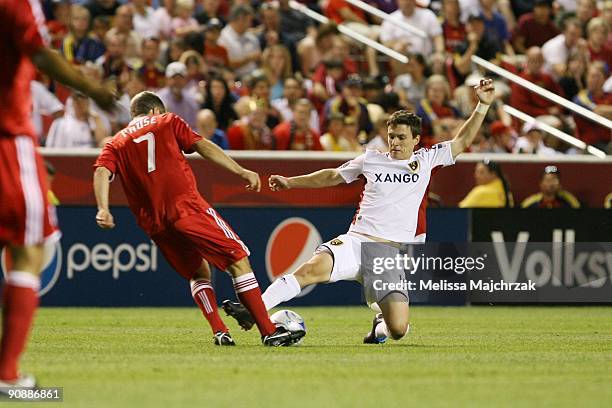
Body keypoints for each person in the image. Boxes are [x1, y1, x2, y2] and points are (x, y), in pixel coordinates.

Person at [223, 79, 496, 345]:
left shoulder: (426, 160)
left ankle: (381, 323)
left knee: (398, 329)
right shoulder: (371, 160)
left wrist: (482, 106)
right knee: (310, 269)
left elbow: (462, 141)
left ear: (416, 139)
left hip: (392, 254)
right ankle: (255, 310)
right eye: (391, 136)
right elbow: (332, 176)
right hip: (356, 241)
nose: (395, 142)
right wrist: (291, 182)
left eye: (402, 137)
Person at [93, 91, 304, 348]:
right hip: (186, 207)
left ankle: (219, 330)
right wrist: (240, 170)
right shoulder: (167, 121)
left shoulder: (115, 142)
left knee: (198, 272)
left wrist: (103, 208)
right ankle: (269, 331)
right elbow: (202, 145)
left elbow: (102, 170)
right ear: (155, 111)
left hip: (155, 223)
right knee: (238, 260)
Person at [0, 0, 115, 390]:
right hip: (7, 137)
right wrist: (91, 89)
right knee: (30, 249)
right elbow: (39, 52)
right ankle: (7, 376)